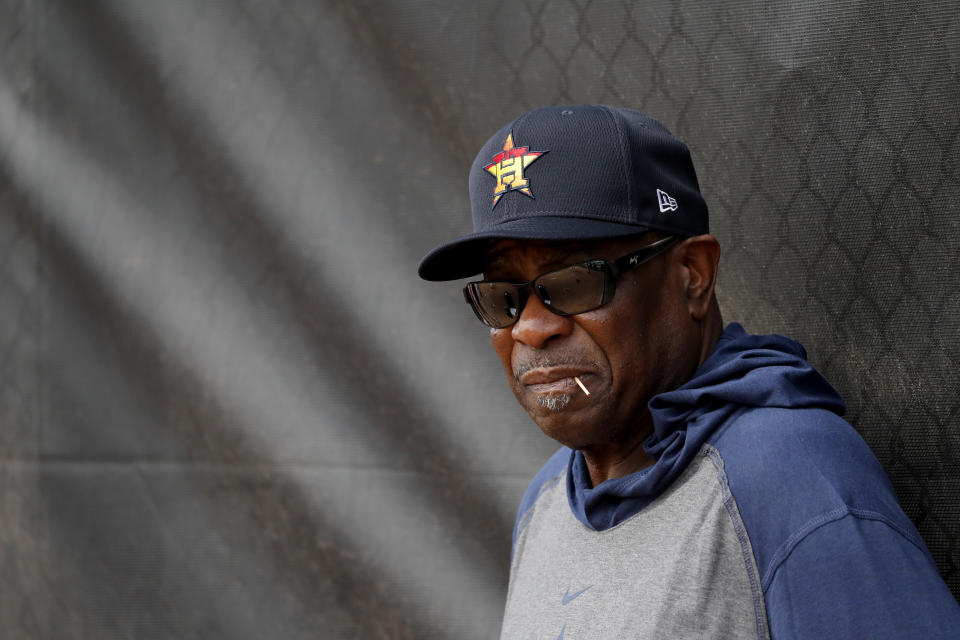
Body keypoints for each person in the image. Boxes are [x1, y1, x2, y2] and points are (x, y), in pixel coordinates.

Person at [418, 105, 960, 639]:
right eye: (502, 298)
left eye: (575, 281)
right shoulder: (548, 497)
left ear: (693, 275)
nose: (531, 329)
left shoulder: (787, 478)